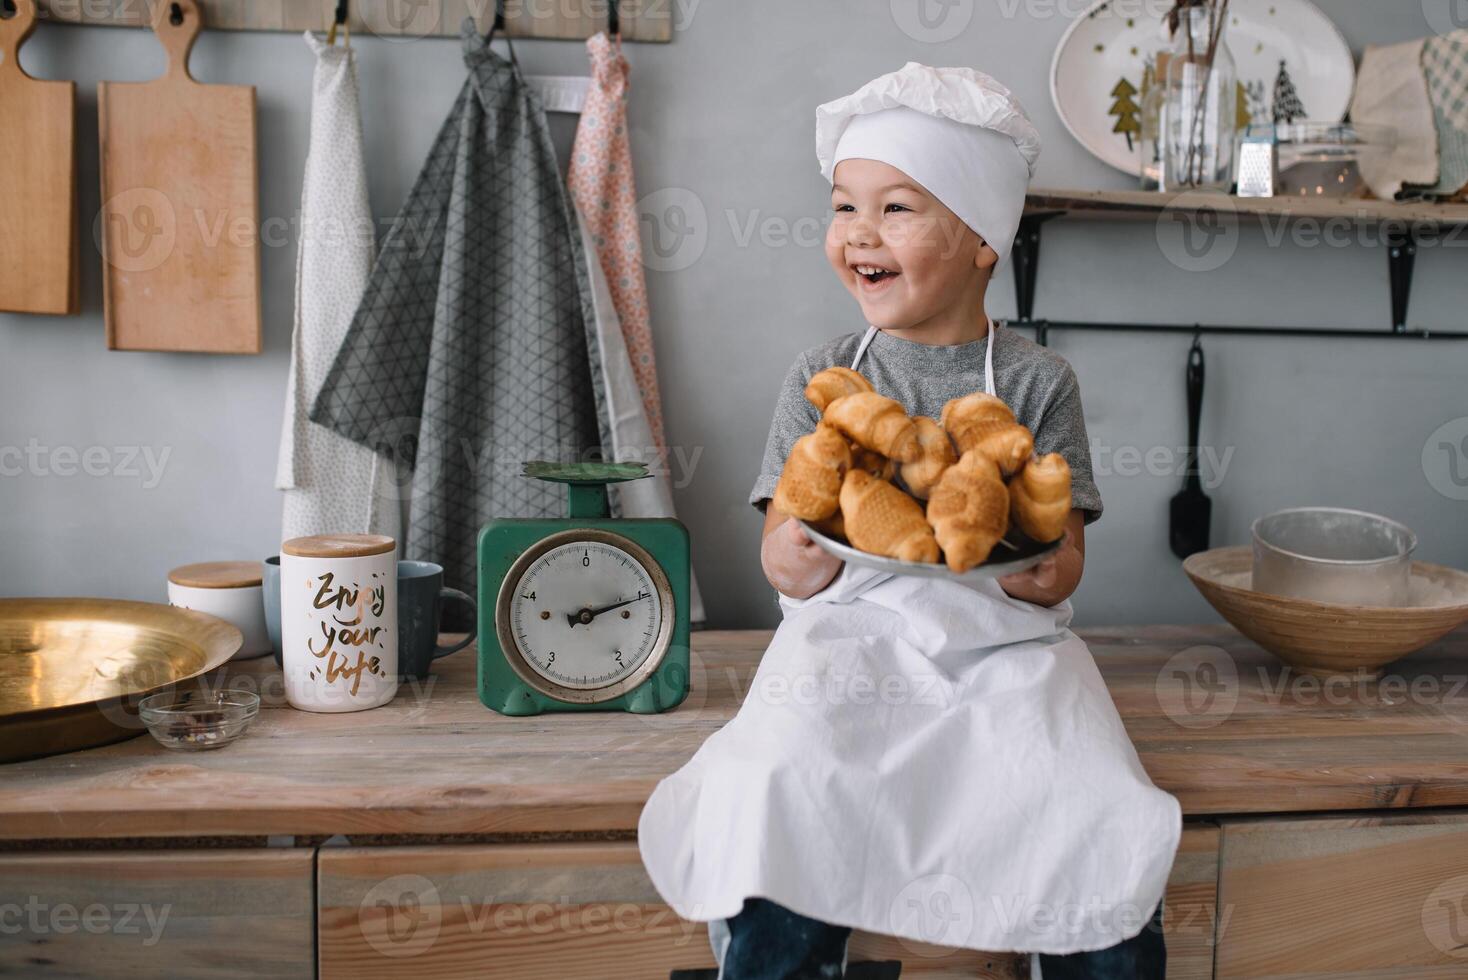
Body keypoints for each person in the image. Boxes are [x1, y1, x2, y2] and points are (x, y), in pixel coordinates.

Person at [639, 63, 1181, 980]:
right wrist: (801, 557)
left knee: (1094, 799)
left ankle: (1080, 947)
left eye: (896, 209)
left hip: (1007, 651)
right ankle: (779, 957)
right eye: (844, 207)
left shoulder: (1039, 383)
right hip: (847, 639)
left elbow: (1063, 556)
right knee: (786, 781)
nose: (858, 234)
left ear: (982, 240)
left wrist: (1043, 568)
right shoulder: (827, 378)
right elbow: (783, 553)